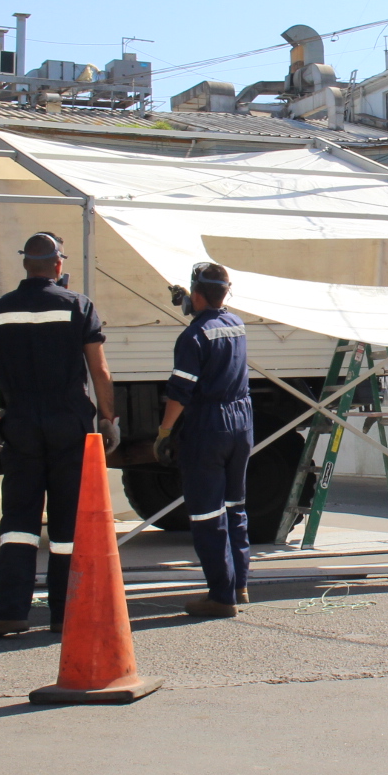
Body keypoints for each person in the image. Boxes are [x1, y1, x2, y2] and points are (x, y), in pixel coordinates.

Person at [0, 233, 119, 638]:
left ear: (25, 265)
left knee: (18, 521)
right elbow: (99, 371)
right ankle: (64, 613)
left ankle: (11, 611)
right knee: (67, 524)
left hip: (20, 426)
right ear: (58, 264)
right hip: (68, 424)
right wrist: (108, 419)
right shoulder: (77, 306)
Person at [155, 262, 254, 618]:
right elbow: (213, 317)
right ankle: (239, 584)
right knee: (234, 506)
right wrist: (195, 305)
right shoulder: (236, 325)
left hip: (209, 424)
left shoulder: (193, 337)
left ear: (196, 294)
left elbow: (180, 393)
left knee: (207, 513)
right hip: (242, 421)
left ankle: (220, 596)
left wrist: (165, 432)